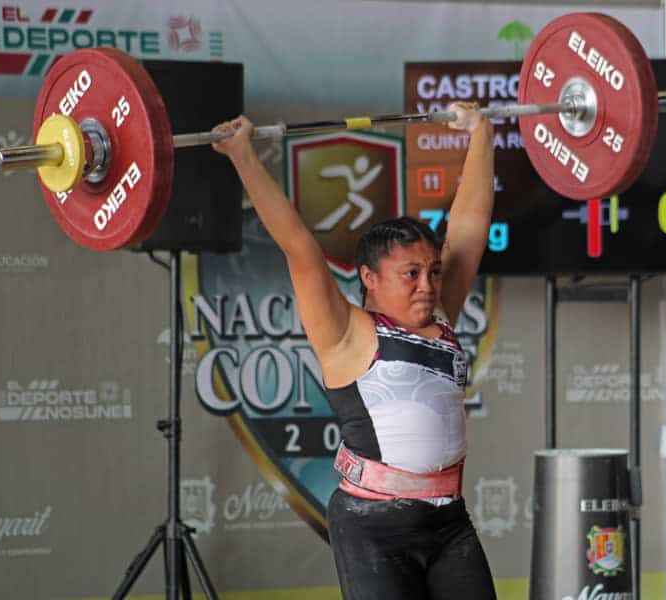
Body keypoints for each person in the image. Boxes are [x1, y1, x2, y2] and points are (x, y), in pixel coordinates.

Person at [212, 103, 497, 600]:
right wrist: (243, 156)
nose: (428, 285)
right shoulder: (347, 331)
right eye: (411, 274)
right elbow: (299, 245)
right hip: (372, 527)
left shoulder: (440, 314)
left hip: (449, 521)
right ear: (369, 277)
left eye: (432, 271)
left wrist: (481, 133)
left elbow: (469, 222)